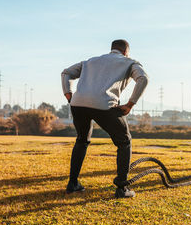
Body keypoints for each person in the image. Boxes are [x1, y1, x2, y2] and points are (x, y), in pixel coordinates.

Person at [61, 39, 149, 198]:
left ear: (112, 49)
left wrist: (68, 93)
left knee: (81, 140)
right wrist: (130, 104)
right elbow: (143, 78)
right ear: (126, 52)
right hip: (105, 104)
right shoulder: (130, 62)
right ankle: (122, 189)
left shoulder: (90, 61)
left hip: (78, 104)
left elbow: (66, 72)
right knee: (124, 141)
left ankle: (73, 183)